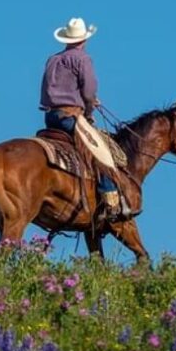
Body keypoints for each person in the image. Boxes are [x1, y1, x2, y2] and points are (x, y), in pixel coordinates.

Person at [40, 17, 128, 221]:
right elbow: (89, 90)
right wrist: (88, 110)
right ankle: (110, 200)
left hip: (51, 117)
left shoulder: (53, 59)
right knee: (101, 151)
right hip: (70, 116)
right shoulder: (82, 59)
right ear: (84, 40)